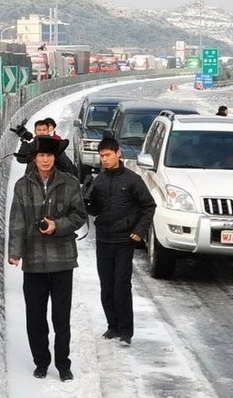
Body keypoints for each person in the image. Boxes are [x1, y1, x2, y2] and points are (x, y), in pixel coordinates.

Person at [8, 136, 87, 382]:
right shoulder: (23, 185)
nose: (45, 159)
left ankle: (63, 364)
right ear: (34, 158)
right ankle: (41, 362)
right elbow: (17, 220)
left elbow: (79, 216)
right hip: (33, 259)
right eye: (41, 155)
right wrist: (15, 252)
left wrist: (57, 225)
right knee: (35, 317)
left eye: (49, 156)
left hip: (63, 259)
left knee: (61, 317)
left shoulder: (70, 183)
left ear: (54, 158)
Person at [84, 137, 156, 347]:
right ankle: (112, 326)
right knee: (106, 285)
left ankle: (126, 331)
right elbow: (94, 211)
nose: (105, 159)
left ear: (118, 153)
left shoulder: (132, 180)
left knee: (121, 286)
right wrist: (87, 199)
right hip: (103, 239)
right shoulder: (99, 180)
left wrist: (139, 231)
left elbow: (149, 206)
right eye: (102, 156)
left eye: (108, 155)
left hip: (124, 240)